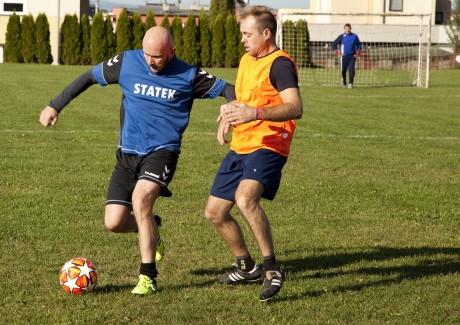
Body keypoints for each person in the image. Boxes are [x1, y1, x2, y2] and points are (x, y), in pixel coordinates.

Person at [39, 26, 235, 296]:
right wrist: (54, 105)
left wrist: (229, 110)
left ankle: (148, 277)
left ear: (172, 52)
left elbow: (228, 89)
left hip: (162, 152)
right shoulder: (127, 62)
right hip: (127, 155)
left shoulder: (188, 75)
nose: (151, 61)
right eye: (147, 55)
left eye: (158, 56)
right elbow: (88, 77)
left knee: (141, 199)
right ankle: (151, 225)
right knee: (114, 222)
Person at [204, 6, 303, 302]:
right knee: (214, 212)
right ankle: (246, 266)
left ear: (266, 34)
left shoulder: (280, 64)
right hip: (241, 144)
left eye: (248, 34)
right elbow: (242, 96)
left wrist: (255, 113)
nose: (243, 40)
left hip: (270, 143)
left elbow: (295, 106)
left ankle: (272, 268)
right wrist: (226, 117)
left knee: (245, 199)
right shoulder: (247, 59)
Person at [332, 23, 362, 88]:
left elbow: (359, 45)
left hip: (352, 57)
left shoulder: (354, 36)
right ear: (344, 29)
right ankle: (344, 83)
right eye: (346, 28)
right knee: (343, 71)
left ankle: (350, 83)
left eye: (348, 28)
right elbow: (334, 44)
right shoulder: (342, 36)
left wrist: (358, 53)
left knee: (351, 71)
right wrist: (338, 52)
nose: (347, 30)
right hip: (343, 57)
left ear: (350, 29)